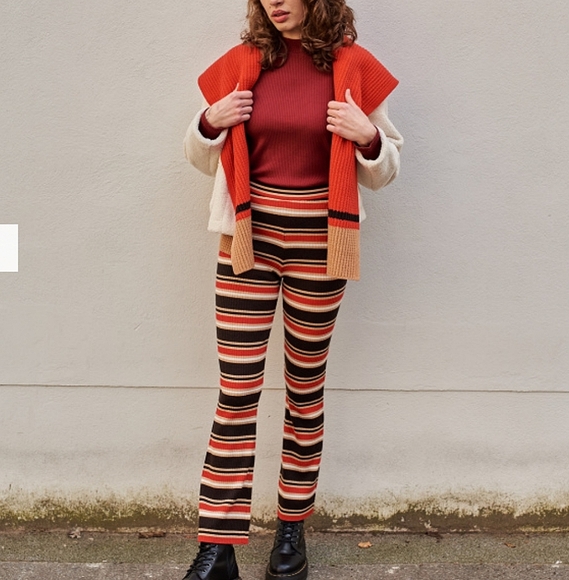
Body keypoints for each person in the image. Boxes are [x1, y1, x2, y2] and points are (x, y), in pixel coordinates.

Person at [182, 0, 403, 578]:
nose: (274, 2)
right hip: (246, 242)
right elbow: (201, 157)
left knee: (305, 389)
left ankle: (290, 531)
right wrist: (209, 123)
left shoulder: (353, 67)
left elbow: (387, 167)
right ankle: (217, 547)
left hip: (322, 248)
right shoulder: (243, 62)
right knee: (237, 391)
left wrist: (368, 137)